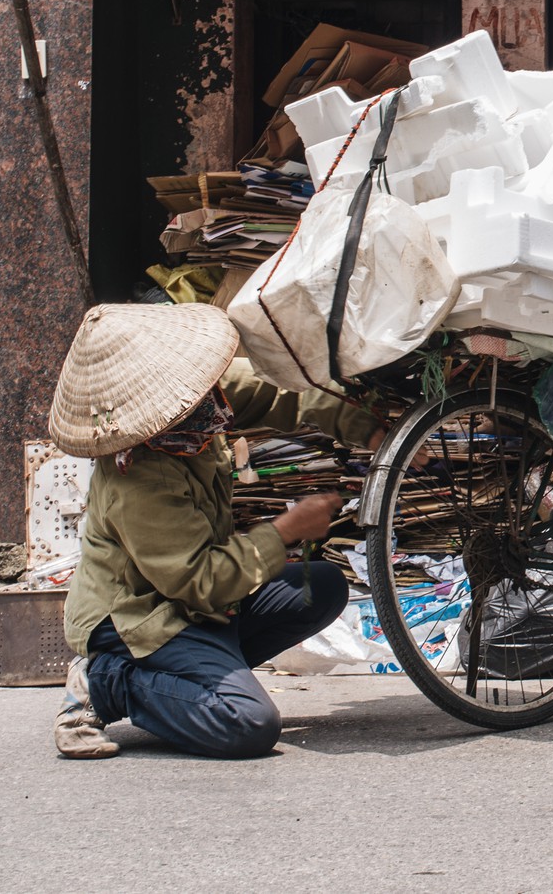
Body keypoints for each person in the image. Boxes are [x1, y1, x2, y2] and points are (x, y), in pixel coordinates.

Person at [48, 303, 346, 759]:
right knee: (249, 724)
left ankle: (191, 679)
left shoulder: (201, 401)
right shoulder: (140, 476)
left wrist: (372, 425)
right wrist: (285, 530)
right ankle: (107, 681)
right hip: (140, 615)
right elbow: (199, 580)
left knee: (319, 586)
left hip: (199, 603)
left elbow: (289, 396)